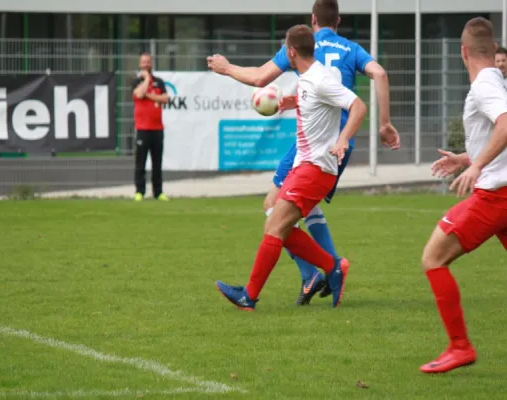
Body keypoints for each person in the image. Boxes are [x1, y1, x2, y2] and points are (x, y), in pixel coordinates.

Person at [207, 0, 400, 306]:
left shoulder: (318, 74)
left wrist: (226, 68)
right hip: (312, 161)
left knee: (275, 221)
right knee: (280, 221)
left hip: (316, 162)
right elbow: (366, 80)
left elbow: (356, 106)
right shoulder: (321, 71)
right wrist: (292, 103)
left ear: (293, 50)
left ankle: (253, 294)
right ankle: (330, 267)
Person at [420, 17, 507, 374]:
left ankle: (460, 347)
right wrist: (468, 158)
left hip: (495, 196)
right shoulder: (496, 80)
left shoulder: (485, 84)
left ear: (463, 52)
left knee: (433, 258)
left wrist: (477, 167)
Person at [132, 52, 170, 202]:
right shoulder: (136, 81)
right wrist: (146, 79)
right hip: (142, 129)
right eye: (143, 62)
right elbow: (139, 94)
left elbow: (165, 98)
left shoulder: (159, 82)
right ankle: (139, 192)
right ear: (140, 64)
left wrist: (150, 95)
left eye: (148, 62)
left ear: (151, 63)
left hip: (157, 129)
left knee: (157, 163)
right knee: (140, 163)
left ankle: (158, 192)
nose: (146, 64)